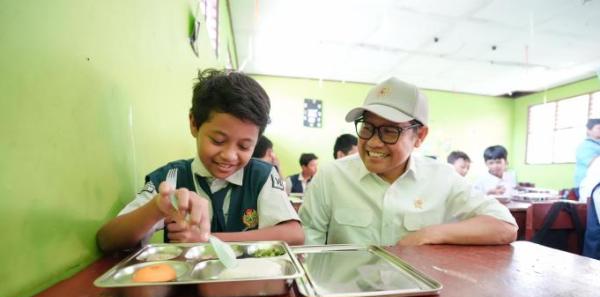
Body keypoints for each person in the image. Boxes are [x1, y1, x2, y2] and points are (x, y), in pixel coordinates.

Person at [97, 69, 304, 252]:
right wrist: (157, 207)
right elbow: (107, 240)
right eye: (218, 140)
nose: (229, 155)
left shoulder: (262, 175)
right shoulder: (171, 178)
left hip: (248, 285)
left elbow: (294, 235)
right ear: (194, 124)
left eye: (244, 146)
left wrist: (207, 240)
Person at [299, 76, 517, 246]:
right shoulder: (331, 177)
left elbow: (504, 226)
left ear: (419, 136)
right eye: (367, 127)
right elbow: (307, 246)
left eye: (389, 131)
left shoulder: (441, 177)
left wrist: (429, 234)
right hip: (344, 294)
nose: (374, 142)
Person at [574, 118, 600, 193]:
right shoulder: (585, 146)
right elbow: (595, 165)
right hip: (587, 187)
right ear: (588, 130)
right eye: (598, 128)